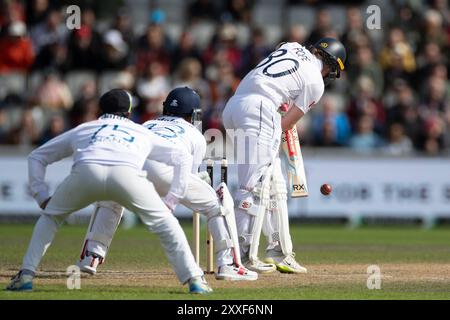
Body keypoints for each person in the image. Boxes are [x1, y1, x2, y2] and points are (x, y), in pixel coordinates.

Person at [6, 89, 213, 294]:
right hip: (127, 176)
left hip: (86, 173)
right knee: (166, 225)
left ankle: (25, 274)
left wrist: (41, 195)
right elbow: (182, 159)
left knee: (50, 217)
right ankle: (194, 279)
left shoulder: (85, 128)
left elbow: (37, 156)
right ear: (129, 113)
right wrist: (172, 199)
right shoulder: (140, 130)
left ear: (100, 110)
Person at [76, 87, 257, 281]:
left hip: (131, 168)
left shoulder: (147, 124)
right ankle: (227, 264)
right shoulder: (195, 134)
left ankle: (91, 257)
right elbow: (186, 176)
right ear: (195, 114)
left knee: (111, 200)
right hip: (168, 172)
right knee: (218, 201)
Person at [222, 38, 346, 273]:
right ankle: (239, 256)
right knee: (253, 187)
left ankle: (279, 251)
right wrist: (275, 120)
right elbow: (285, 124)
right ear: (330, 66)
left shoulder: (290, 46)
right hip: (260, 110)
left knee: (274, 183)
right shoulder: (316, 83)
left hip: (234, 106)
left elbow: (280, 59)